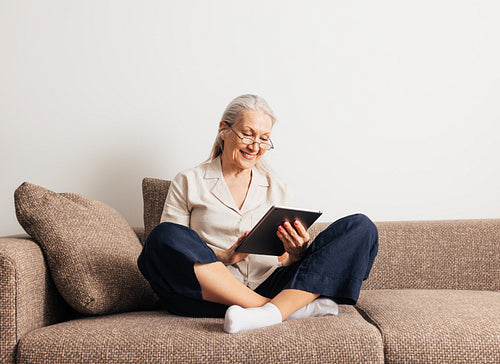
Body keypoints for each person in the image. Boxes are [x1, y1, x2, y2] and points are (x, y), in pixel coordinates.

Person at [138, 94, 378, 333]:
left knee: (360, 227)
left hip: (270, 284)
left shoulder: (278, 186)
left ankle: (270, 311)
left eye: (264, 139)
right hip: (208, 298)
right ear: (224, 129)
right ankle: (277, 311)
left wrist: (295, 254)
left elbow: (283, 261)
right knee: (162, 236)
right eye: (247, 134)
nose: (255, 146)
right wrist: (224, 257)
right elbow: (171, 253)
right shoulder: (189, 181)